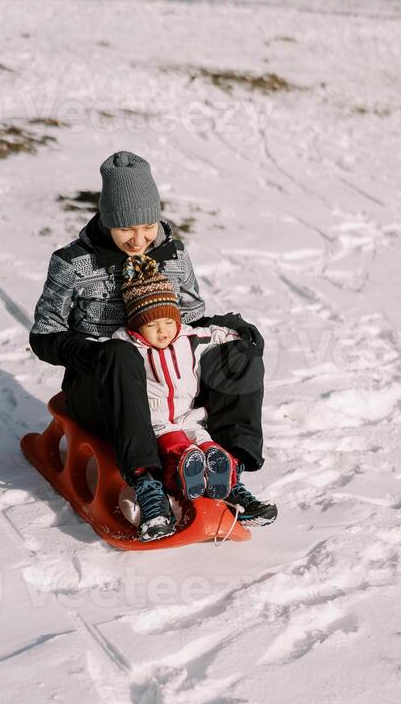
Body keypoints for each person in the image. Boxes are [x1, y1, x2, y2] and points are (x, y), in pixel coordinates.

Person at [29, 149, 276, 542]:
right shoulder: (73, 263)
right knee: (121, 354)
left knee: (237, 354)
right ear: (107, 218)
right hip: (101, 387)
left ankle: (228, 469)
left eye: (147, 226)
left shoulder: (173, 255)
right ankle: (147, 485)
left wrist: (233, 331)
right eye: (126, 229)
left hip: (171, 385)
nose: (139, 239)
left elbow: (191, 321)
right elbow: (43, 336)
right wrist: (94, 352)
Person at [112, 253, 246, 528]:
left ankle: (221, 472)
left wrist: (240, 337)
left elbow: (216, 334)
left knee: (205, 441)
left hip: (189, 413)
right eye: (152, 325)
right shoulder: (131, 346)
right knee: (175, 447)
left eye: (168, 323)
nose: (162, 331)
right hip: (157, 419)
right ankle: (185, 474)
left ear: (177, 319)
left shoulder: (189, 337)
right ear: (138, 327)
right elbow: (111, 350)